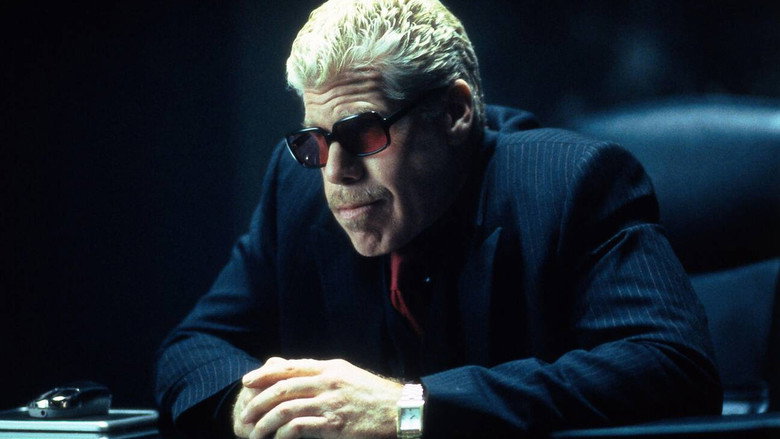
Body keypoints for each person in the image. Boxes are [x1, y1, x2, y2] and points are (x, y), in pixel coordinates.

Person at [154, 0, 722, 437]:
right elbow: (194, 348)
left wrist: (408, 408)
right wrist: (252, 405)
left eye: (363, 132)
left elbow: (673, 367)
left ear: (454, 112)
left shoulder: (571, 181)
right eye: (316, 141)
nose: (336, 174)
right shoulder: (296, 184)